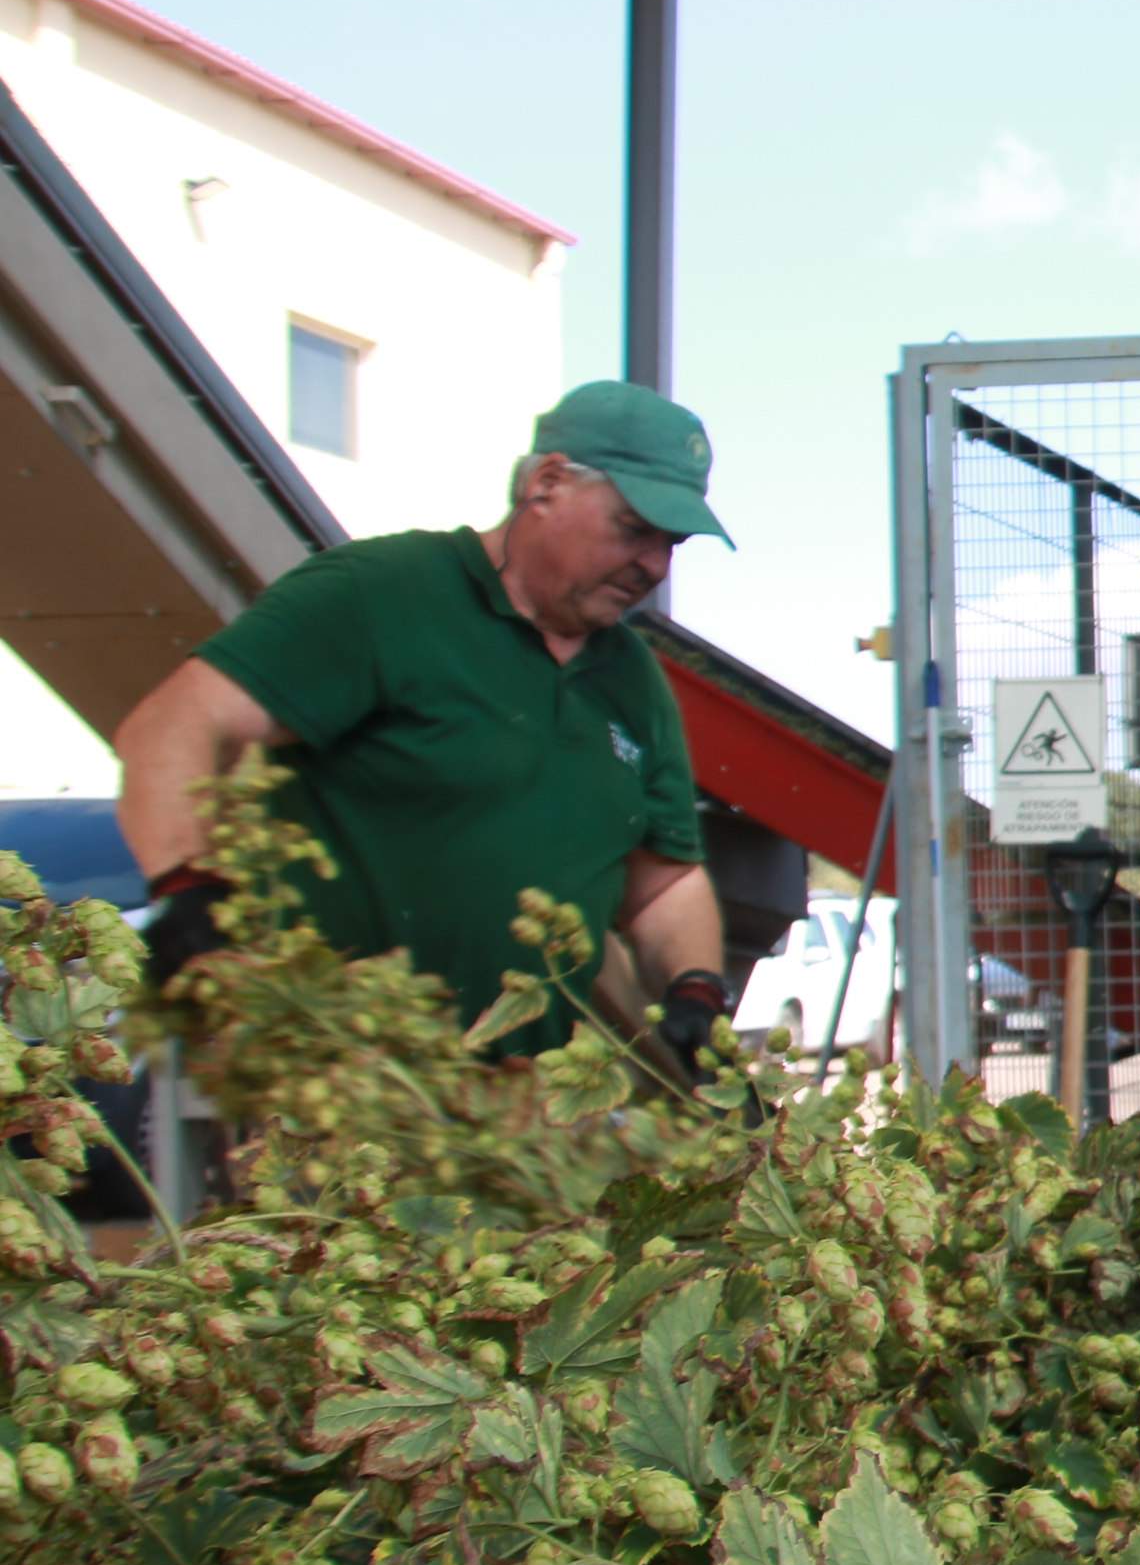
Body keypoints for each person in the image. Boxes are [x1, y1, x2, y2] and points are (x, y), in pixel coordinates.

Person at [113, 382, 737, 1072]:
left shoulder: (634, 682)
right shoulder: (382, 594)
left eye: (671, 542)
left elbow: (664, 882)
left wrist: (695, 992)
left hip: (524, 1115)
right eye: (634, 528)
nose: (654, 564)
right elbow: (174, 725)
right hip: (337, 1089)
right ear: (548, 484)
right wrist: (187, 888)